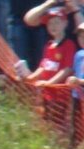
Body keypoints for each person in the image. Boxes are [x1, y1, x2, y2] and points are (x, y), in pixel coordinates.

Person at [25, 5, 77, 134]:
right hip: (47, 92)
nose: (52, 26)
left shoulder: (69, 45)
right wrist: (33, 77)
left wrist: (50, 83)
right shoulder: (49, 45)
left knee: (58, 122)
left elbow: (67, 69)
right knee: (45, 118)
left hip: (60, 94)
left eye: (56, 22)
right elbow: (43, 66)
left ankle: (60, 146)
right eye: (49, 23)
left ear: (65, 23)